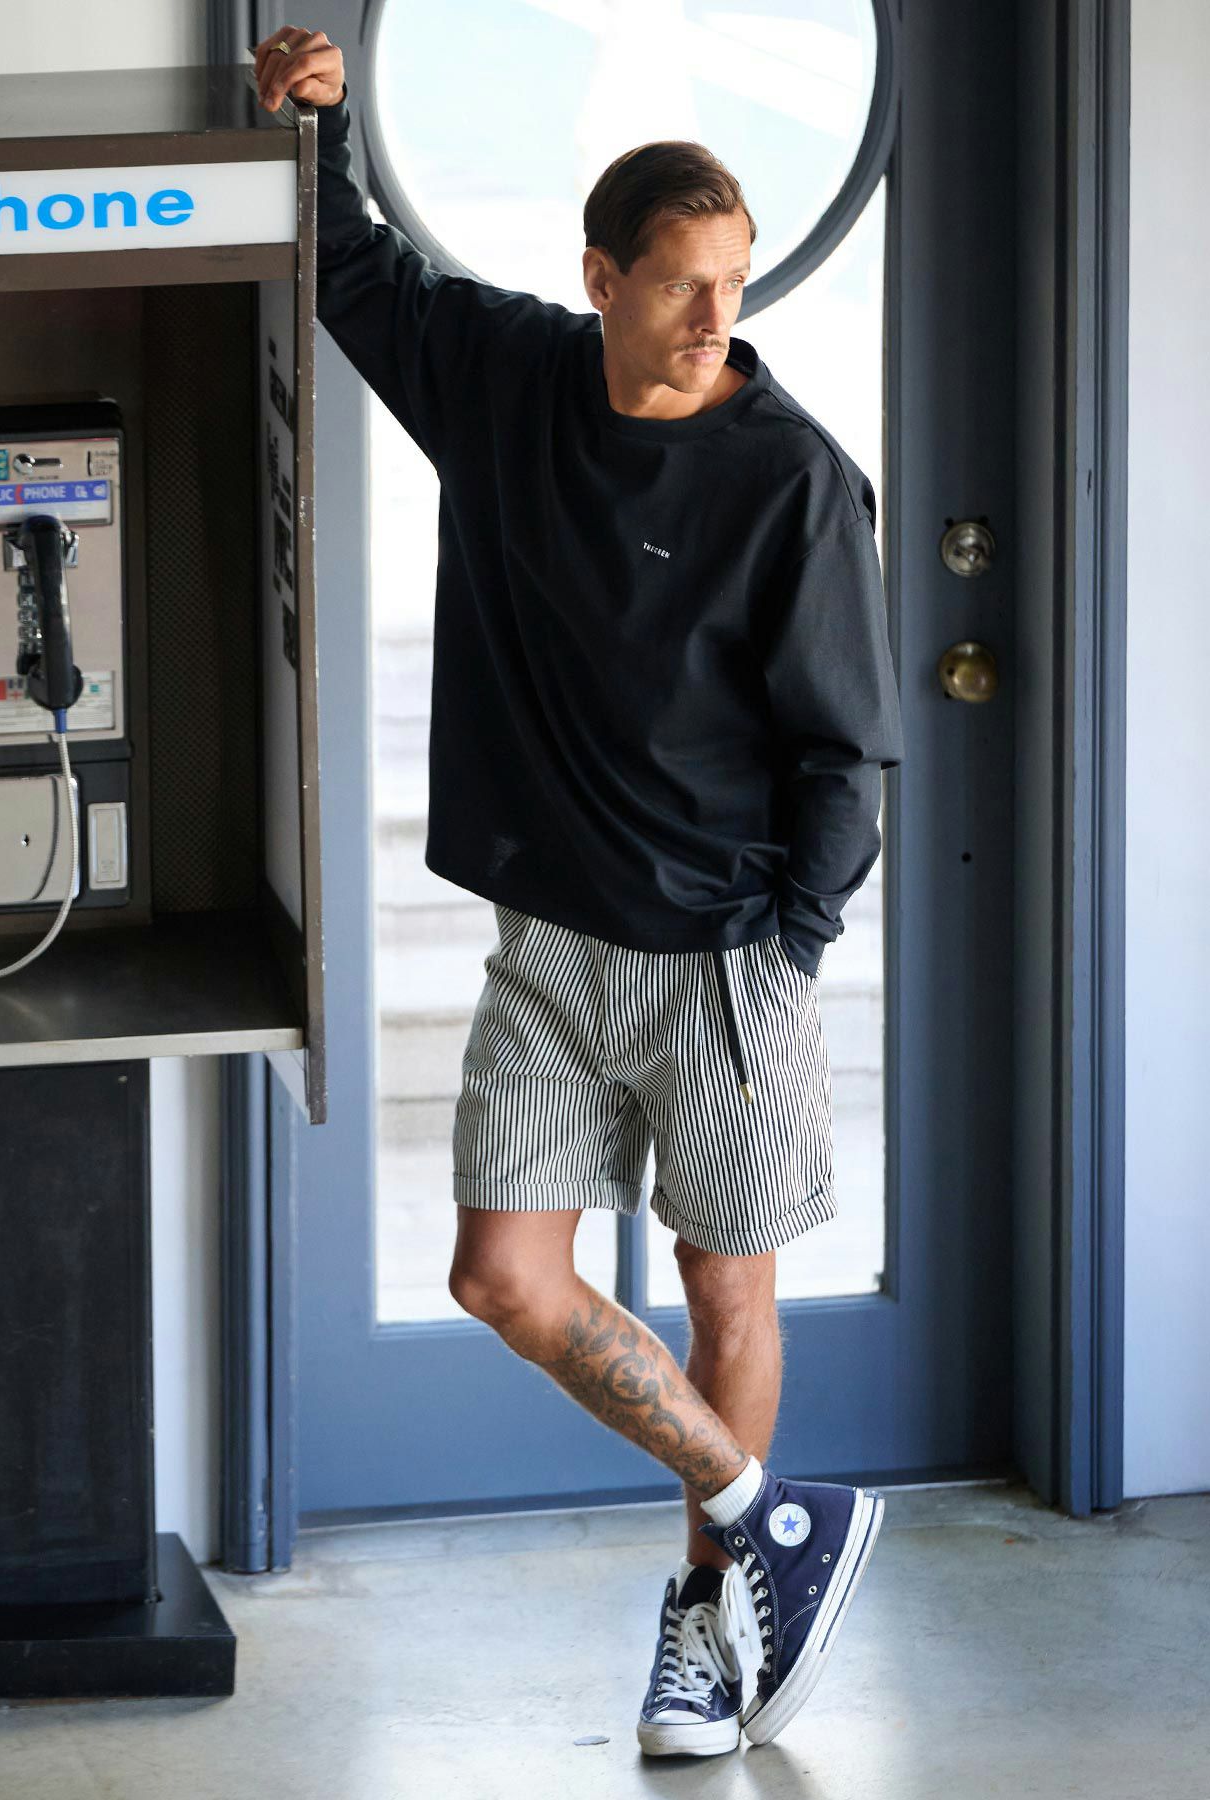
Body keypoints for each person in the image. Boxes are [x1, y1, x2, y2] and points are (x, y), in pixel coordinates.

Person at [254, 25, 904, 1759]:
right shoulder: (508, 380)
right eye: (682, 284)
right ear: (601, 278)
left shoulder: (791, 478)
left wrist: (789, 943)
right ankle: (773, 1515)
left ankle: (707, 1627)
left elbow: (849, 747)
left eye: (734, 283)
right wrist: (315, 123)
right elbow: (354, 273)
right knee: (503, 1279)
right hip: (547, 944)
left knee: (728, 1293)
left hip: (725, 959)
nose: (715, 319)